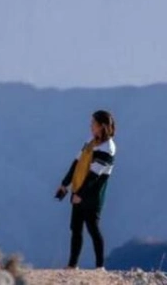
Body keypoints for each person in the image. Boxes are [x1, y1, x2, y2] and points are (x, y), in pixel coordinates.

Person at [56, 110, 117, 270]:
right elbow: (77, 162)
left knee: (93, 228)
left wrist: (80, 194)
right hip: (78, 188)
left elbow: (94, 176)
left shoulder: (108, 148)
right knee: (75, 228)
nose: (90, 126)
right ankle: (72, 265)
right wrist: (65, 184)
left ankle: (99, 267)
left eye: (93, 124)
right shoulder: (91, 141)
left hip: (92, 194)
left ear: (102, 126)